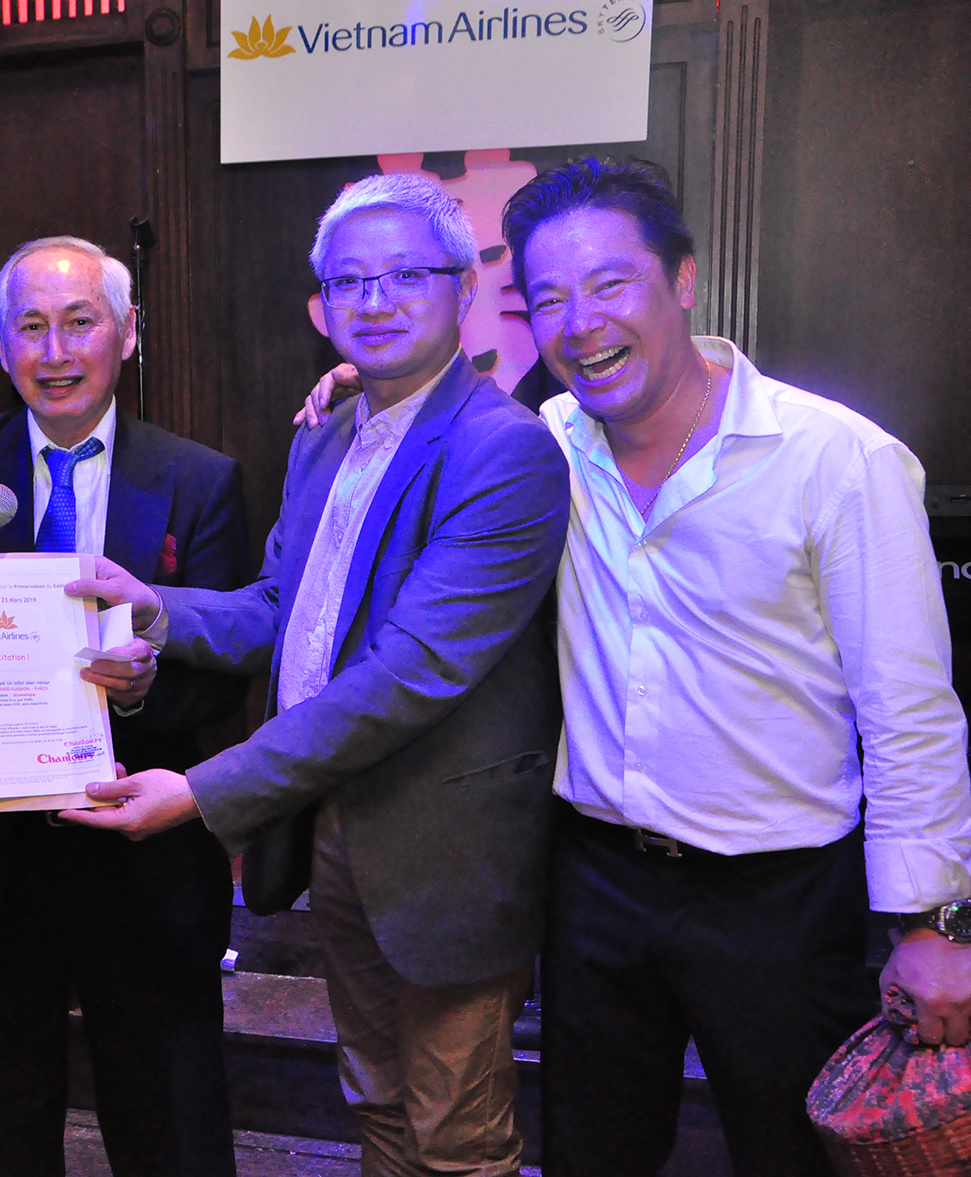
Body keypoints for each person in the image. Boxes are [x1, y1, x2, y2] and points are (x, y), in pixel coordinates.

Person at [298, 157, 971, 1176]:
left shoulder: (836, 459)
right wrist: (370, 387)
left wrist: (932, 924)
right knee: (591, 1155)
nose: (581, 324)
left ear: (683, 279)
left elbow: (909, 709)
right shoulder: (542, 447)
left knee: (787, 1156)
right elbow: (430, 434)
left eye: (609, 285)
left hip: (779, 898)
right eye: (549, 300)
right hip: (595, 884)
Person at [67, 177, 569, 1177]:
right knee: (375, 1102)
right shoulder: (327, 431)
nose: (374, 302)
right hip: (338, 829)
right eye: (349, 282)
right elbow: (281, 607)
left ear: (463, 287)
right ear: (320, 305)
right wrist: (153, 604)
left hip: (443, 854)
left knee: (456, 1136)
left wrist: (201, 791)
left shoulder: (503, 451)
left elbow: (409, 674)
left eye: (405, 275)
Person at [0, 235, 250, 1177]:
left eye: (79, 322)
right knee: (4, 1128)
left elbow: (229, 670)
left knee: (170, 1124)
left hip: (144, 854)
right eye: (31, 326)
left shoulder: (199, 478)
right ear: (1, 343)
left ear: (127, 333)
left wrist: (143, 687)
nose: (55, 351)